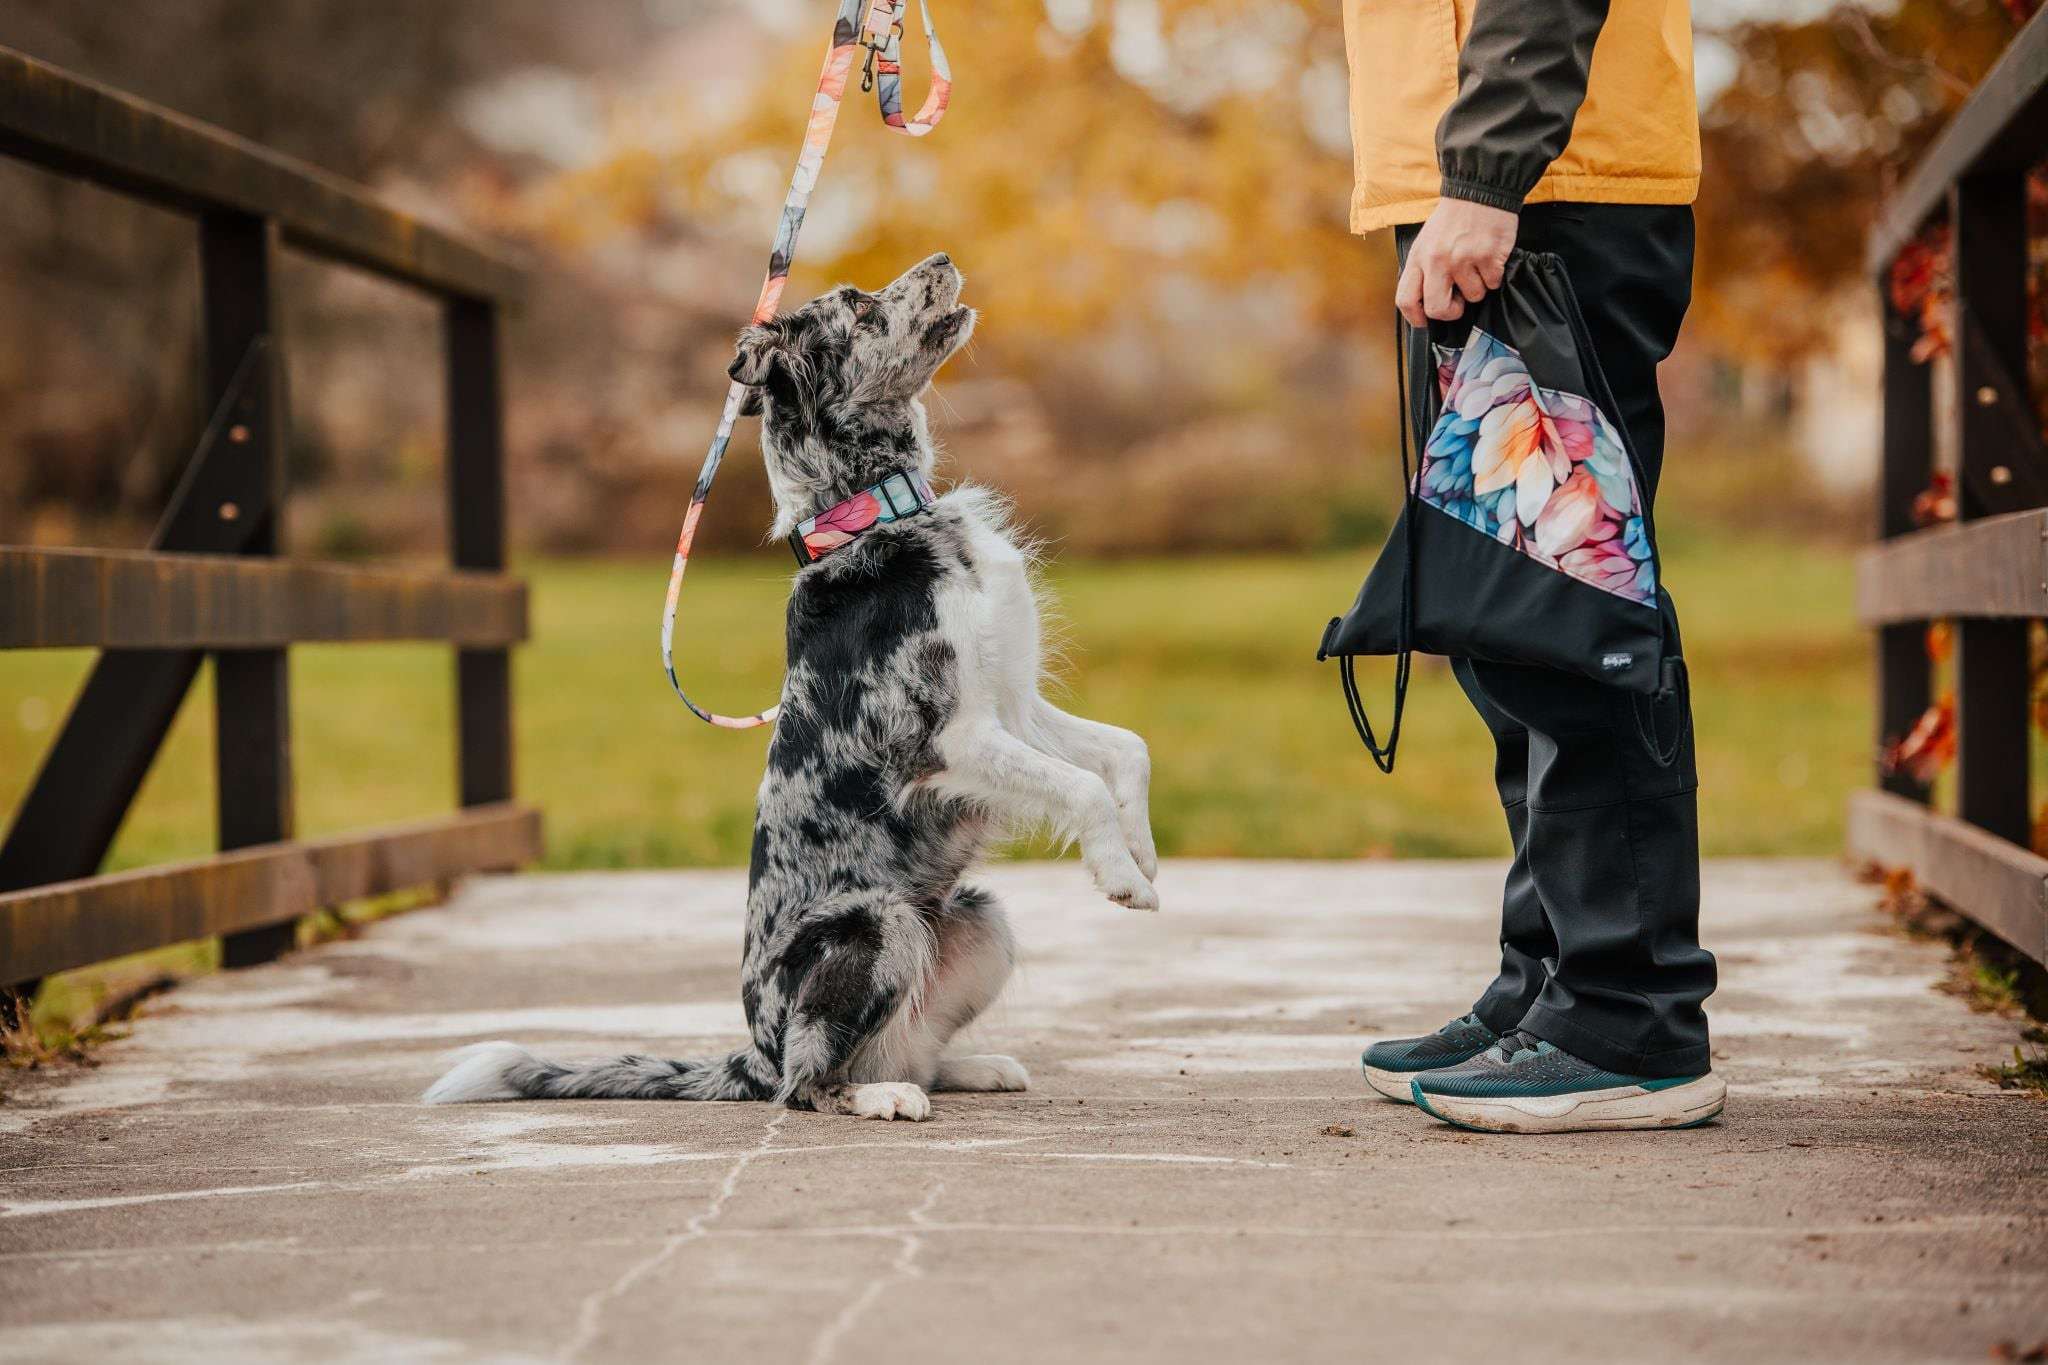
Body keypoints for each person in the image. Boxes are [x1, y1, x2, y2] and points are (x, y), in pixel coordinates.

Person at [1343, 0, 1722, 1132]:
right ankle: (1548, 983)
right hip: (1484, 185)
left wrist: (1485, 172)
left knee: (1569, 605)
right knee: (1511, 615)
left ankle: (1629, 1016)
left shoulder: (1505, 179)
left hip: (1545, 187)